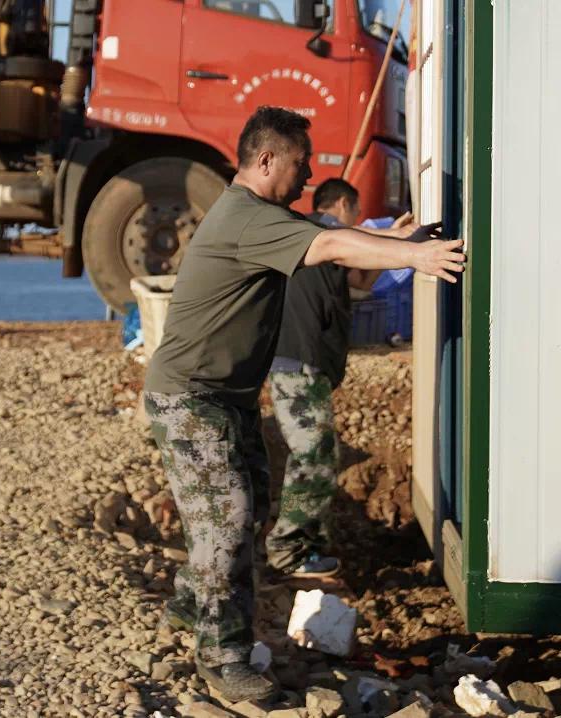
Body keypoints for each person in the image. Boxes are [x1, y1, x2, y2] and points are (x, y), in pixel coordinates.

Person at [143, 106, 464, 703]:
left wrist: (400, 240)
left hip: (226, 398)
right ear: (266, 160)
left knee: (249, 508)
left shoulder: (263, 215)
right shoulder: (245, 218)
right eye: (301, 161)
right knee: (229, 517)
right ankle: (222, 657)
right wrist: (415, 258)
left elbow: (335, 236)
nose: (310, 171)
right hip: (191, 395)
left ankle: (193, 605)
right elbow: (333, 243)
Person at [263, 177, 400, 579]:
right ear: (342, 204)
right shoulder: (320, 233)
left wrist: (399, 248)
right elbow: (355, 249)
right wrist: (405, 242)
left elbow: (360, 280)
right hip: (296, 364)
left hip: (306, 365)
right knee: (314, 456)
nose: (357, 222)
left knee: (320, 454)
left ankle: (309, 547)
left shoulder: (324, 242)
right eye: (356, 213)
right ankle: (288, 549)